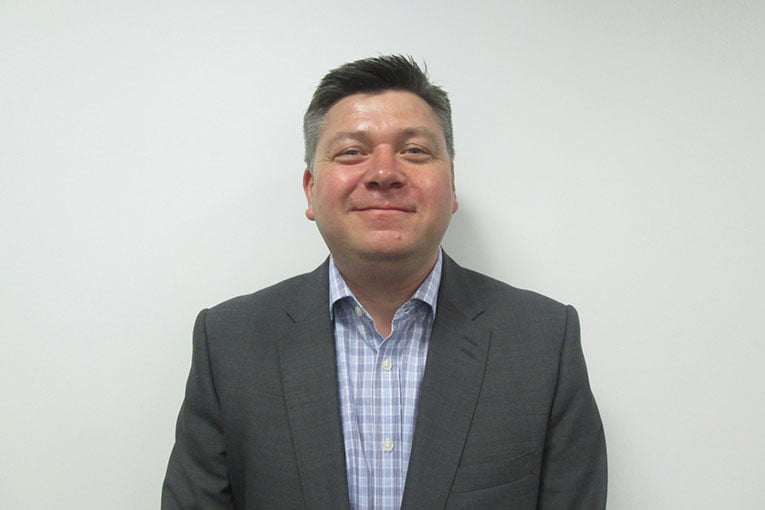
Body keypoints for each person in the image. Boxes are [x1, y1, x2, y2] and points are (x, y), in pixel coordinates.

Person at [162, 55, 607, 509]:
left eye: (414, 151)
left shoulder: (544, 342)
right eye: (351, 152)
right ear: (311, 189)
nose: (383, 174)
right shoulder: (229, 343)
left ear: (452, 186)